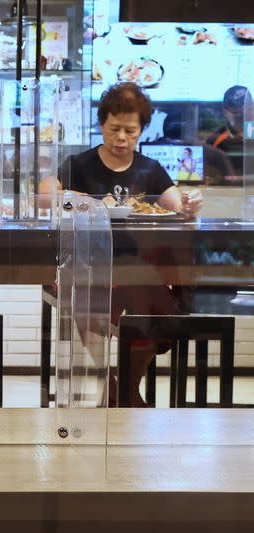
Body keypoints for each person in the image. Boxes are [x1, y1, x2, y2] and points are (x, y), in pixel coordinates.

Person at [41, 82, 203, 407]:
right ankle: (119, 390)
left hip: (137, 267)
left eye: (130, 131)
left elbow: (175, 203)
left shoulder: (150, 169)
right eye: (114, 129)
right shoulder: (80, 164)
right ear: (101, 125)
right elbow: (46, 192)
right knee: (92, 297)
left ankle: (123, 390)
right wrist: (72, 196)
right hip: (88, 263)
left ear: (142, 130)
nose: (121, 138)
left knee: (148, 301)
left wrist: (189, 202)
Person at [206, 85, 252, 180]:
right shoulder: (214, 140)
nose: (243, 118)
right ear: (225, 111)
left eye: (248, 111)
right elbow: (208, 175)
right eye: (237, 115)